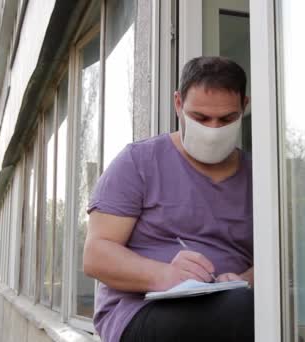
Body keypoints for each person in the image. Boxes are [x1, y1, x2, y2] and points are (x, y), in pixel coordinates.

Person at [84, 56, 254, 342]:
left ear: (244, 107)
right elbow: (96, 255)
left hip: (234, 303)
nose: (212, 131)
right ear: (178, 104)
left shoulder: (260, 176)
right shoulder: (138, 162)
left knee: (260, 312)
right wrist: (164, 275)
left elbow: (283, 257)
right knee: (242, 314)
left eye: (226, 119)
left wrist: (247, 279)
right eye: (200, 118)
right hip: (140, 310)